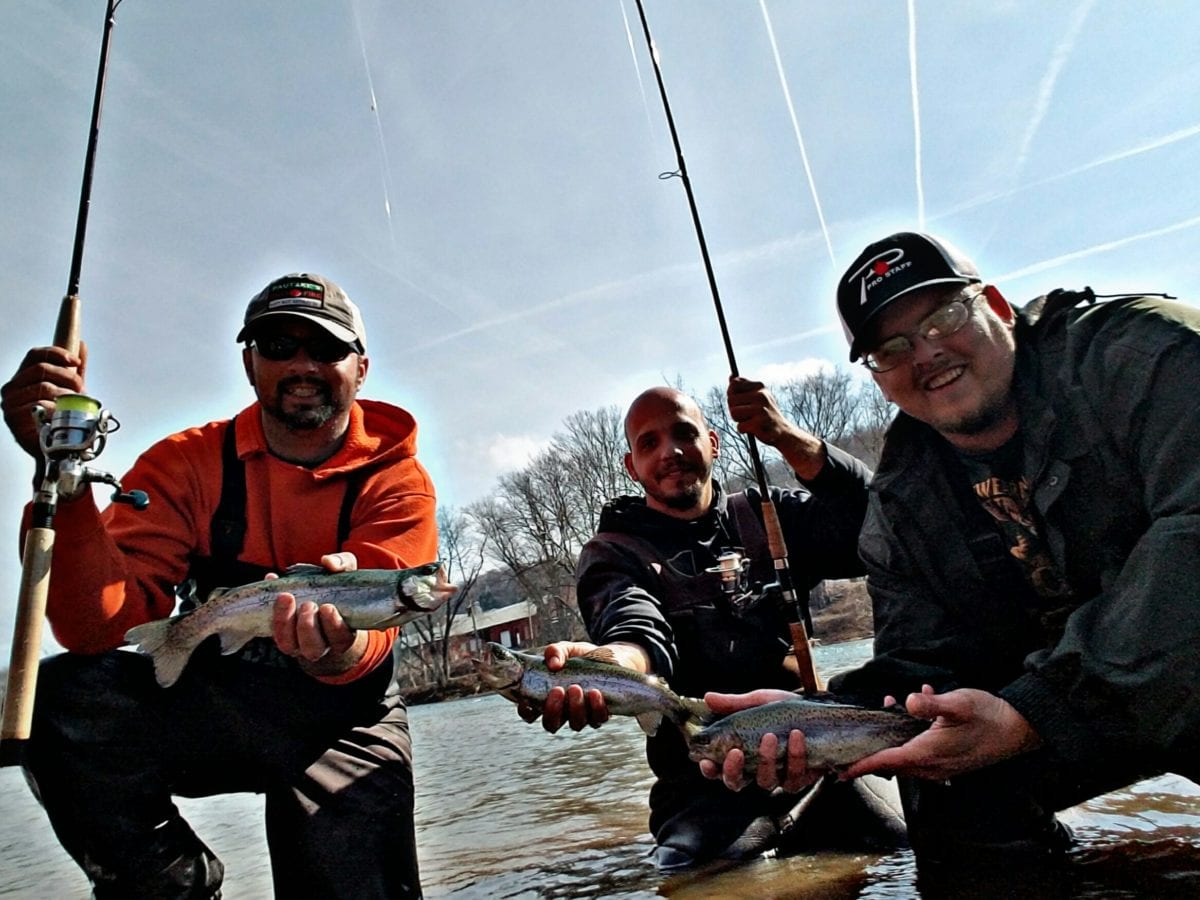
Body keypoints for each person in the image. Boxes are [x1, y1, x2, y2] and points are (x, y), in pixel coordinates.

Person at [705, 231, 1200, 880]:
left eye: (942, 317)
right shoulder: (901, 500)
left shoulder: (1144, 353)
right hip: (1064, 702)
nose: (927, 352)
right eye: (892, 348)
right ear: (880, 380)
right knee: (938, 771)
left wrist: (1034, 709)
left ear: (994, 303)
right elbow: (920, 659)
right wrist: (821, 719)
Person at [1, 273, 438, 899]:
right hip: (217, 704)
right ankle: (170, 881)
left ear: (361, 369)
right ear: (249, 363)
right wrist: (61, 477)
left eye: (325, 348)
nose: (302, 364)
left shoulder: (399, 481)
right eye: (278, 346)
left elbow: (374, 636)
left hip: (346, 721)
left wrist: (335, 647)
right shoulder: (183, 464)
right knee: (65, 698)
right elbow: (96, 628)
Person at [517, 384, 906, 870]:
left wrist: (785, 437)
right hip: (701, 780)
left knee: (904, 852)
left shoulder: (773, 514)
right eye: (649, 443)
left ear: (714, 443)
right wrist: (616, 666)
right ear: (630, 466)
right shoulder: (612, 553)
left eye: (684, 433)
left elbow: (881, 526)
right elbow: (635, 628)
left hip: (820, 761)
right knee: (690, 875)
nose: (671, 452)